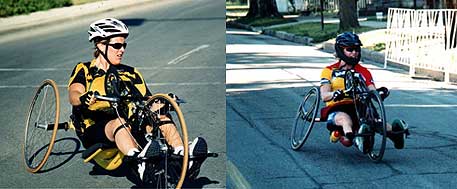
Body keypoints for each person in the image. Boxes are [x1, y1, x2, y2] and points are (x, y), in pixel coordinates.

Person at [68, 18, 207, 181]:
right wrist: (83, 98)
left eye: (124, 45)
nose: (122, 50)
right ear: (100, 44)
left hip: (129, 125)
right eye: (117, 45)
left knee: (160, 115)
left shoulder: (131, 73)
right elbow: (74, 93)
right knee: (118, 123)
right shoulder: (85, 69)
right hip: (95, 129)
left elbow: (148, 101)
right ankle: (140, 163)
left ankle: (183, 156)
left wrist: (164, 101)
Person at [319, 32, 408, 153]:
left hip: (359, 106)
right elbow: (324, 95)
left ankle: (396, 134)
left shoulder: (363, 71)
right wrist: (334, 94)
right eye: (350, 49)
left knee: (375, 121)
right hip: (337, 107)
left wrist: (378, 94)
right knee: (345, 120)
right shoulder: (329, 71)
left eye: (356, 49)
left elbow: (371, 88)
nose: (354, 53)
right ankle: (355, 139)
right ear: (340, 50)